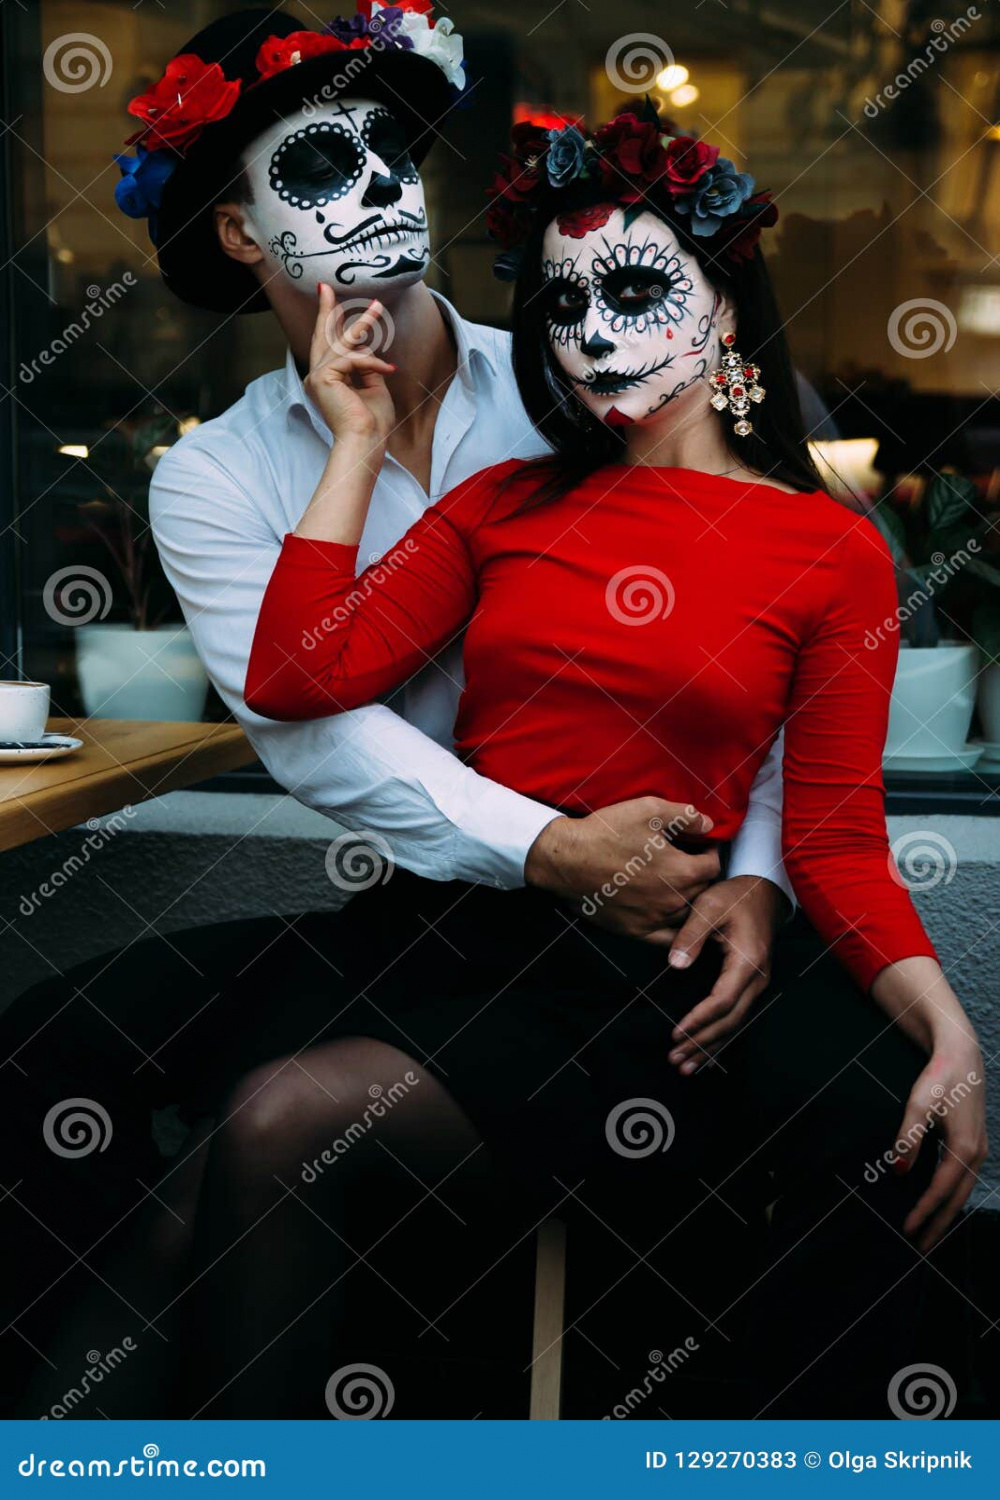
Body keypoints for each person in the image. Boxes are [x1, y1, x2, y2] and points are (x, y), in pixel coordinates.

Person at [2, 7, 789, 1417]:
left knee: (260, 1136)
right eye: (314, 170)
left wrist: (765, 869)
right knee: (40, 1062)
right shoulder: (213, 476)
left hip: (624, 932)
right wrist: (552, 847)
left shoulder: (575, 385)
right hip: (435, 908)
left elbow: (773, 624)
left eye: (389, 148)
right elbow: (311, 732)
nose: (375, 187)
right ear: (241, 237)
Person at [212, 103, 986, 1419]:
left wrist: (949, 1026)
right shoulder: (500, 506)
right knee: (242, 1126)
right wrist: (351, 437)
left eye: (631, 290)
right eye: (558, 303)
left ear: (726, 308)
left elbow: (838, 839)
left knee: (873, 1133)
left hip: (646, 980)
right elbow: (295, 676)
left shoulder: (829, 549)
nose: (587, 331)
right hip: (469, 936)